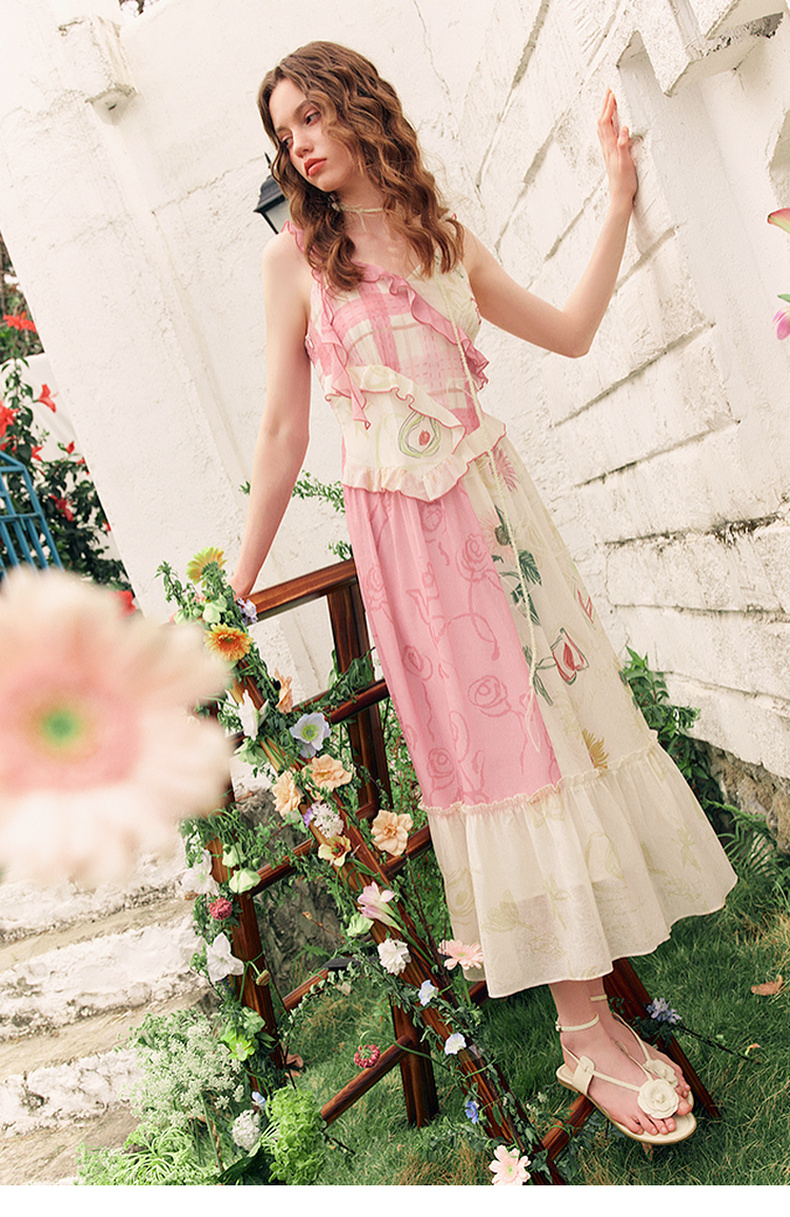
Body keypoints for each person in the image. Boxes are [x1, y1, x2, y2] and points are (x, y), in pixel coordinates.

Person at [231, 41, 736, 1145]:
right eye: (283, 132)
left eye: (312, 115)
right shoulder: (296, 262)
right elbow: (281, 432)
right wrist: (236, 585)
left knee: (558, 736)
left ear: (361, 107)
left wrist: (616, 199)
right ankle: (580, 1027)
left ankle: (593, 1008)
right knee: (504, 758)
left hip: (497, 517)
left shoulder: (442, 237)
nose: (300, 144)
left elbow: (570, 332)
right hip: (412, 544)